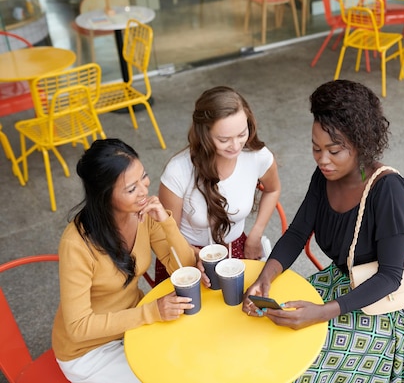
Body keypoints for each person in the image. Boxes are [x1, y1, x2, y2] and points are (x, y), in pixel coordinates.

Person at [243, 80, 404, 382]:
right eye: (316, 148)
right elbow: (296, 234)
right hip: (340, 282)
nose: (322, 160)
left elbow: (390, 276)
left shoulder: (389, 191)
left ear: (361, 143)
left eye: (334, 150)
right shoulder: (324, 177)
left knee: (304, 365)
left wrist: (324, 312)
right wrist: (264, 279)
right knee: (271, 337)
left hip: (382, 306)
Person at [52, 138, 197, 383]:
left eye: (144, 177)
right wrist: (150, 313)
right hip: (90, 351)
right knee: (170, 376)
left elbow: (185, 269)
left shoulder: (144, 213)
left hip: (135, 324)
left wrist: (166, 222)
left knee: (193, 358)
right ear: (104, 196)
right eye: (131, 189)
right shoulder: (76, 244)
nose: (144, 190)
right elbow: (78, 328)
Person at [158, 86, 280, 286]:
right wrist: (193, 256)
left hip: (237, 248)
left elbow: (273, 189)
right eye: (224, 139)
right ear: (204, 135)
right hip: (187, 256)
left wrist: (256, 234)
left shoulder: (258, 156)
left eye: (242, 134)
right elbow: (165, 235)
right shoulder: (178, 171)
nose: (235, 146)